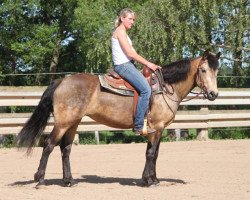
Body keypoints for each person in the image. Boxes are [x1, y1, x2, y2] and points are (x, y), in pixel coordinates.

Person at [111, 8, 160, 136]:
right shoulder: (120, 31)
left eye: (133, 19)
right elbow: (130, 53)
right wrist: (149, 64)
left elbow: (133, 54)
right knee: (146, 90)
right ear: (122, 18)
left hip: (128, 65)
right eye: (130, 19)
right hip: (124, 66)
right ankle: (139, 126)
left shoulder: (124, 33)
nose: (132, 22)